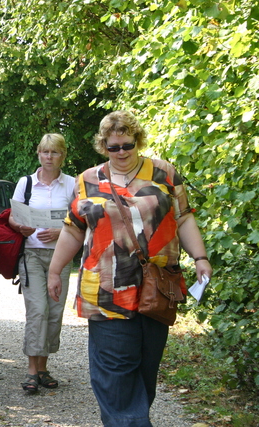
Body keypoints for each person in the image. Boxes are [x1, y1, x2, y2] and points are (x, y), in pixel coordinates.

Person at [47, 111, 213, 426]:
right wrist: (55, 271)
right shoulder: (88, 179)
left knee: (145, 370)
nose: (122, 152)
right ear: (103, 146)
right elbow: (73, 229)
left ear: (138, 142)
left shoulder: (164, 173)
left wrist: (200, 257)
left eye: (128, 144)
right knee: (115, 372)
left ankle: (133, 419)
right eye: (114, 147)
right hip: (106, 292)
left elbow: (184, 217)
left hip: (157, 289)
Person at [8, 134, 76, 393]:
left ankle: (44, 367)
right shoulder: (26, 183)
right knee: (38, 309)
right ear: (38, 153)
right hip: (33, 255)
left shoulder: (72, 184)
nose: (49, 157)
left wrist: (61, 232)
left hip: (62, 255)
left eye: (55, 152)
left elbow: (81, 220)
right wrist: (21, 227)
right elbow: (13, 217)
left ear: (63, 156)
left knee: (54, 311)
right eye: (45, 152)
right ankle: (32, 371)